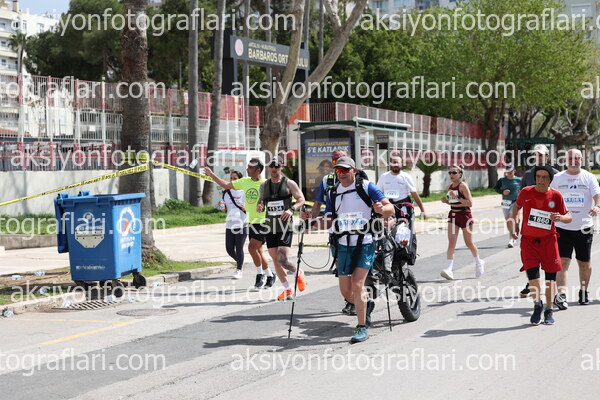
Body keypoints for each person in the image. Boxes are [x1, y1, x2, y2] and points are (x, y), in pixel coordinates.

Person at [302, 156, 394, 343]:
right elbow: (329, 221)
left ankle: (361, 327)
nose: (341, 173)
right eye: (338, 170)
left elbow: (390, 208)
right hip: (343, 243)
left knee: (357, 284)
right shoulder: (333, 192)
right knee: (346, 291)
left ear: (354, 170)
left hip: (365, 241)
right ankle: (365, 303)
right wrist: (311, 222)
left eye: (345, 170)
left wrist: (381, 210)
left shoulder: (367, 187)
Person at [509, 165, 572, 325]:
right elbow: (516, 206)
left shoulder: (556, 195)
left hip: (548, 241)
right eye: (538, 176)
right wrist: (515, 222)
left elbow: (568, 216)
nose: (541, 180)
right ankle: (537, 305)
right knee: (533, 277)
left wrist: (560, 218)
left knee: (550, 279)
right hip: (529, 242)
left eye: (544, 177)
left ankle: (549, 309)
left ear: (550, 179)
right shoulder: (526, 192)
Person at [204, 158, 275, 289]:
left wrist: (263, 206)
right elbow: (226, 185)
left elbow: (273, 202)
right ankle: (270, 275)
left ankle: (260, 275)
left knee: (251, 248)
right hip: (251, 221)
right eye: (247, 166)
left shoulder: (266, 184)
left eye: (250, 167)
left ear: (258, 170)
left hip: (264, 221)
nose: (247, 169)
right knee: (258, 251)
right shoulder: (244, 181)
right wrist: (211, 174)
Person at [550, 149, 600, 309]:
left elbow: (597, 196)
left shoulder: (588, 177)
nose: (574, 161)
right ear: (566, 160)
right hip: (562, 227)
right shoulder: (558, 178)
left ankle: (583, 292)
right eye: (571, 158)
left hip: (584, 227)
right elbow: (549, 197)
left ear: (582, 160)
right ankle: (562, 295)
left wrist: (597, 206)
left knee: (584, 263)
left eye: (577, 158)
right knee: (563, 262)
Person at [256, 158, 306, 300]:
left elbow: (301, 199)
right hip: (270, 226)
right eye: (272, 166)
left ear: (281, 167)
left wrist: (291, 209)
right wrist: (260, 207)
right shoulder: (264, 185)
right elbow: (261, 203)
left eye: (277, 166)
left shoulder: (289, 183)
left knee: (283, 259)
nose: (274, 169)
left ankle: (298, 272)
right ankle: (287, 289)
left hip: (284, 226)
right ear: (269, 167)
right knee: (276, 260)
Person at [519, 144, 560, 297]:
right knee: (529, 257)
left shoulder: (556, 174)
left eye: (541, 155)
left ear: (547, 156)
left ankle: (554, 291)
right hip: (531, 223)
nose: (539, 157)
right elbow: (521, 197)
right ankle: (531, 282)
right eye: (536, 155)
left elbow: (559, 197)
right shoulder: (528, 174)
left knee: (551, 260)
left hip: (550, 223)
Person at [439, 165, 485, 280]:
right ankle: (449, 270)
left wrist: (458, 197)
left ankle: (479, 262)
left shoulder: (463, 186)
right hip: (453, 215)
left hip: (465, 215)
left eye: (454, 173)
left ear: (460, 174)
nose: (451, 175)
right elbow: (452, 202)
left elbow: (470, 203)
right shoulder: (449, 187)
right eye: (450, 173)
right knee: (451, 243)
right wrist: (446, 201)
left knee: (469, 243)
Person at [216, 170, 247, 279]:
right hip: (230, 224)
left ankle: (239, 269)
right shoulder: (226, 192)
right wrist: (221, 205)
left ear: (240, 180)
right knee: (229, 249)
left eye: (235, 178)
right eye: (231, 178)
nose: (232, 180)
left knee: (239, 248)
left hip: (241, 224)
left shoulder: (244, 192)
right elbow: (223, 209)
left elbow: (251, 207)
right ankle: (240, 262)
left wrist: (246, 208)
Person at [376, 155, 427, 220]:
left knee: (403, 225)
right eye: (394, 162)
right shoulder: (384, 177)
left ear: (401, 164)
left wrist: (422, 210)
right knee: (387, 224)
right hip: (388, 207)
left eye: (398, 162)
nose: (396, 164)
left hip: (403, 208)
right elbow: (377, 193)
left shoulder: (406, 177)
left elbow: (414, 194)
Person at [494, 164, 521, 248]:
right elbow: (496, 188)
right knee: (508, 220)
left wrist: (520, 193)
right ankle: (512, 234)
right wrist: (502, 192)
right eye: (507, 171)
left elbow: (524, 189)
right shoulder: (502, 180)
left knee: (512, 218)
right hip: (505, 202)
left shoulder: (519, 180)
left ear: (514, 171)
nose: (509, 173)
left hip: (515, 202)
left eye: (510, 171)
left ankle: (511, 239)